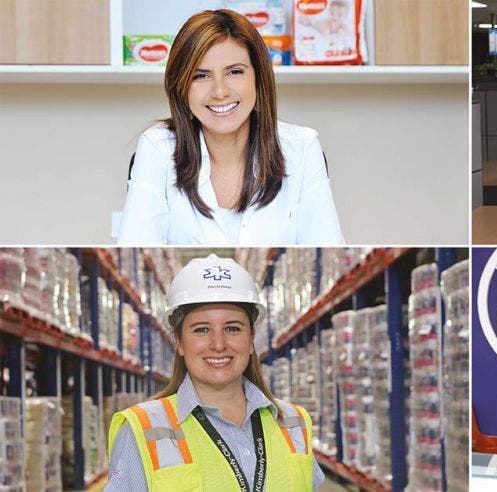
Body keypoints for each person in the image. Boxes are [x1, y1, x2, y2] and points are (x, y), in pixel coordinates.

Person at [117, 9, 344, 245]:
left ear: (259, 78)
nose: (220, 91)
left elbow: (326, 249)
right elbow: (139, 248)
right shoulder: (157, 148)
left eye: (234, 72)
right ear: (181, 87)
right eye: (200, 76)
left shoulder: (302, 147)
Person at [105, 254, 325, 490]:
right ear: (179, 341)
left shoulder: (294, 421)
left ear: (251, 339)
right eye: (201, 330)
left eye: (232, 328)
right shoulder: (144, 428)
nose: (218, 344)